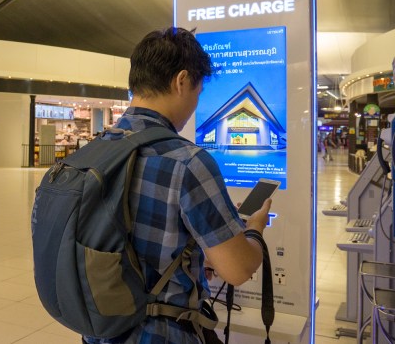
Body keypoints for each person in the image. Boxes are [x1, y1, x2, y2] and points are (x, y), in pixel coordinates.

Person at [83, 27, 271, 344]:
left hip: (99, 330)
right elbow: (239, 270)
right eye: (198, 93)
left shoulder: (94, 151)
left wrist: (198, 257)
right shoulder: (188, 162)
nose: (195, 104)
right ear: (181, 81)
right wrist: (254, 227)